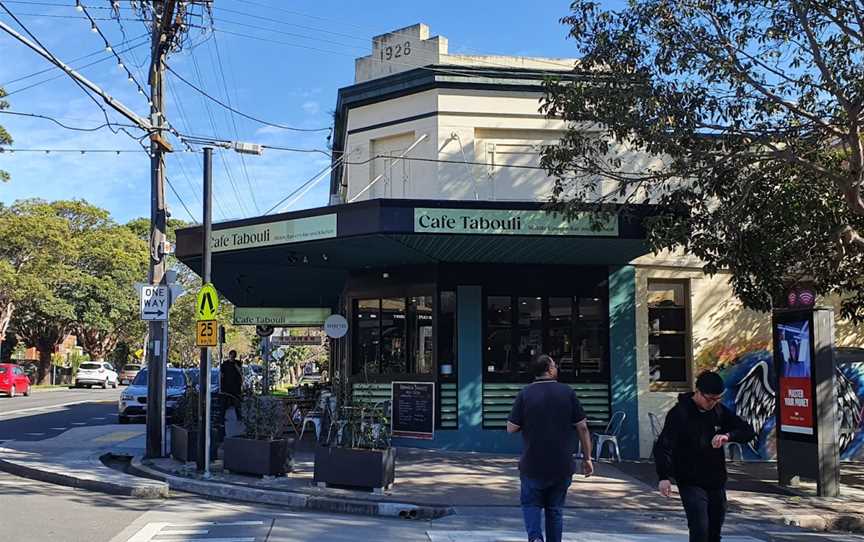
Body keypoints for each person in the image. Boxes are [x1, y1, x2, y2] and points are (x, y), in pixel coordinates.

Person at [654, 371, 756, 542]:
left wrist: (728, 436)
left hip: (715, 480)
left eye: (718, 399)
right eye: (710, 399)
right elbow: (663, 446)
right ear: (698, 392)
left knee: (714, 531)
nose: (714, 403)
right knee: (700, 530)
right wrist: (663, 477)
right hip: (690, 480)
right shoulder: (680, 413)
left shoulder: (719, 411)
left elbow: (747, 431)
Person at [507, 354, 594, 542]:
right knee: (555, 510)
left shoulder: (525, 394)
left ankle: (535, 537)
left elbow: (511, 428)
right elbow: (583, 427)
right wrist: (587, 458)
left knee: (531, 504)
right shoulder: (567, 392)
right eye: (555, 365)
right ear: (549, 369)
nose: (557, 368)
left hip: (533, 463)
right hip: (561, 464)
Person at [220, 350, 243, 421]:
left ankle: (239, 416)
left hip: (236, 387)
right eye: (231, 355)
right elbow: (222, 374)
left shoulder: (238, 363)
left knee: (237, 403)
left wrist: (236, 365)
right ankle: (222, 417)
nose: (232, 357)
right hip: (226, 387)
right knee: (224, 403)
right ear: (229, 355)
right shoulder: (225, 364)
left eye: (233, 356)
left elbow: (240, 372)